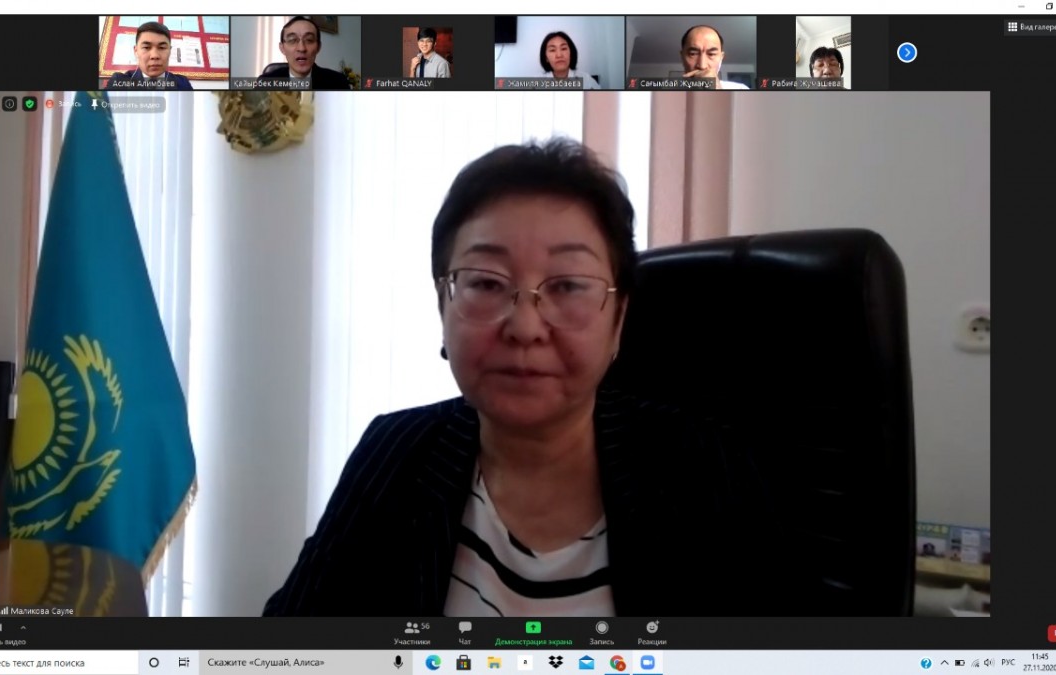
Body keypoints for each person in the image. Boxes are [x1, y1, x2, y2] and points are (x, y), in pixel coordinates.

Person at [262, 139, 796, 617]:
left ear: (619, 320)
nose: (524, 327)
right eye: (486, 283)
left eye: (567, 286)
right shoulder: (396, 453)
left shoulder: (703, 467)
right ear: (443, 304)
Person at [258, 16, 351, 90]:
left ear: (318, 47)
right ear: (282, 48)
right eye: (292, 40)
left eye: (309, 40)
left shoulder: (338, 82)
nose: (301, 48)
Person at [108, 21, 194, 91]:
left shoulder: (183, 83)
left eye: (162, 47)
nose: (155, 55)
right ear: (136, 51)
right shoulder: (118, 81)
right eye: (146, 47)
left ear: (170, 51)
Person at [679, 25, 748, 90]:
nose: (702, 66)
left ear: (721, 58)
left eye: (711, 54)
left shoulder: (741, 89)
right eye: (693, 54)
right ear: (682, 56)